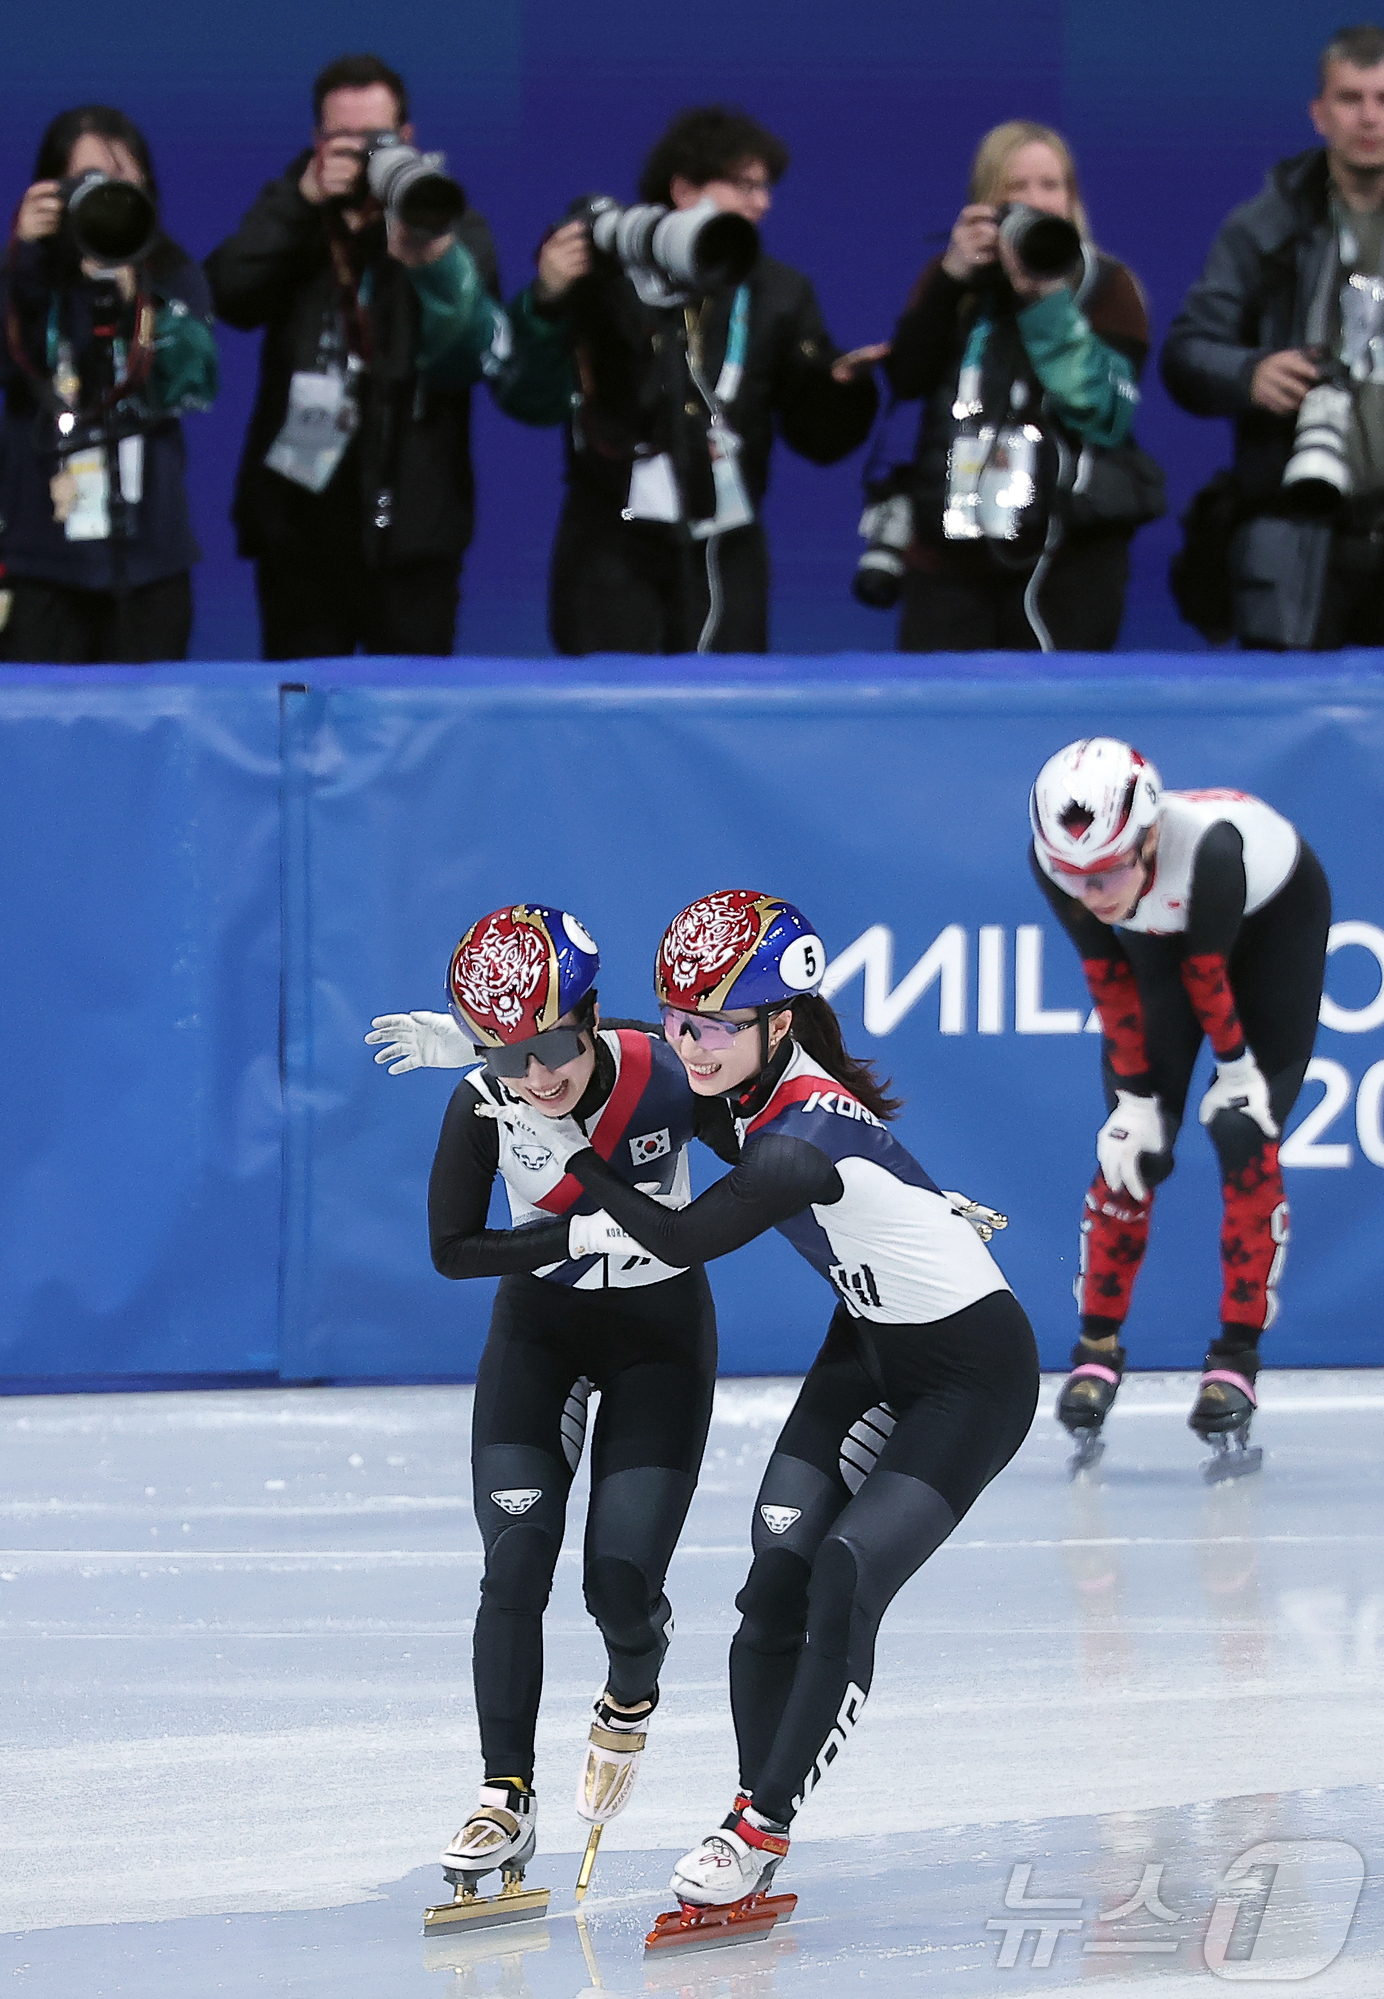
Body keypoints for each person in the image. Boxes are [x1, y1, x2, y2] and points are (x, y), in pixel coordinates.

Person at [475, 890, 1038, 1919]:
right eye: (679, 1019)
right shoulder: (738, 1072)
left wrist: (577, 1155)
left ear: (779, 1020)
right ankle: (751, 1811)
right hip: (865, 1345)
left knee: (846, 1571)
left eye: (716, 1025)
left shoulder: (795, 1133)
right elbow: (623, 1053)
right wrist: (497, 1053)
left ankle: (759, 1823)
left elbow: (679, 1238)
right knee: (771, 1582)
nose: (689, 1045)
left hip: (970, 1372)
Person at [364, 904, 716, 1900]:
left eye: (555, 1044)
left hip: (658, 1341)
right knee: (513, 1563)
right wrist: (567, 1240)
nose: (538, 1076)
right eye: (509, 1053)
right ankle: (502, 1796)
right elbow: (450, 1251)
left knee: (616, 1586)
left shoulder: (667, 1072)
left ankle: (634, 1679)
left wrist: (895, 1206)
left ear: (593, 1017)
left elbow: (785, 1150)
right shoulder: (481, 1101)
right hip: (541, 1336)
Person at [206, 54, 571, 662]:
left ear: (407, 139)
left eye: (374, 138)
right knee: (303, 716)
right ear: (317, 141)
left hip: (414, 530)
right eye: (340, 138)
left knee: (409, 729)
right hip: (300, 529)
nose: (358, 153)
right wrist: (299, 203)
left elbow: (468, 356)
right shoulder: (294, 214)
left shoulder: (448, 223)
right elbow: (227, 294)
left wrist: (432, 260)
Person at [1029, 739, 1331, 1468]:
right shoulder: (1060, 863)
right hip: (1167, 948)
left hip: (1272, 930)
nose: (1089, 896)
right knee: (1132, 1144)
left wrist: (1237, 1070)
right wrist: (1134, 1100)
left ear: (1152, 835)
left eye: (1104, 873)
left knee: (1241, 1130)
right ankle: (1095, 1347)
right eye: (1072, 878)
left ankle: (1236, 1356)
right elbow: (1108, 975)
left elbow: (1208, 973)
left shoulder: (1214, 850)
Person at [537, 105, 879, 655]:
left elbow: (817, 439)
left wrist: (841, 388)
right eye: (744, 186)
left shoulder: (778, 292)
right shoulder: (607, 275)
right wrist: (548, 297)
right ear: (683, 189)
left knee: (727, 717)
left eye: (766, 188)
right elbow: (534, 386)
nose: (761, 203)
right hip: (612, 541)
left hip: (728, 540)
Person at [885, 120, 1157, 652]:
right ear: (987, 201)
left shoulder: (1107, 285)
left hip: (1067, 557)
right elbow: (906, 379)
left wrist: (1045, 300)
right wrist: (951, 276)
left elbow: (1102, 412)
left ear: (1071, 198)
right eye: (1017, 187)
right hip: (953, 552)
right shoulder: (953, 282)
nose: (1036, 201)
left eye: (1050, 186)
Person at [1162, 23, 1384, 649]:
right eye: (1350, 99)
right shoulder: (1267, 224)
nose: (1369, 117)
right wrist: (1248, 373)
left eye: (1383, 99)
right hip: (1297, 534)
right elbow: (1186, 352)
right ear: (1319, 114)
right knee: (1296, 732)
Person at [0, 106, 217, 663]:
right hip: (41, 564)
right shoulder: (28, 273)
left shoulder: (173, 273)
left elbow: (193, 384)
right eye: (87, 183)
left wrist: (134, 286)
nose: (105, 197)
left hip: (148, 565)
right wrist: (30, 259)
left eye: (122, 181)